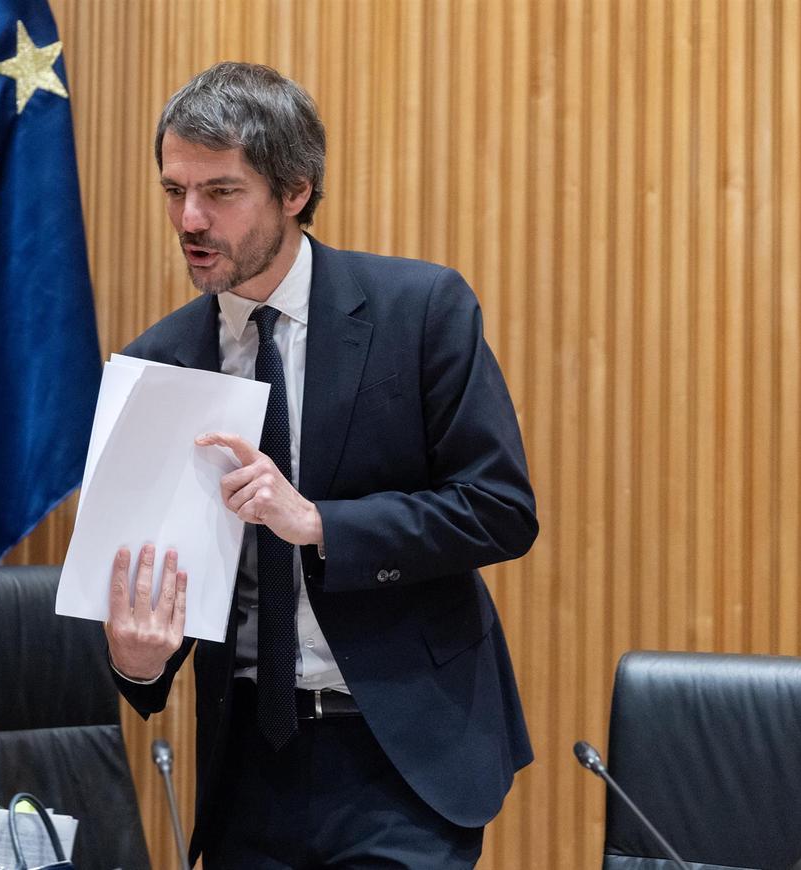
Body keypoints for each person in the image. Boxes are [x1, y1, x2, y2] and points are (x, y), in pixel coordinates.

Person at [103, 61, 538, 869]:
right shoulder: (157, 364)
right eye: (174, 190)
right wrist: (136, 663)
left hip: (399, 750)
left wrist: (317, 524)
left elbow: (500, 507)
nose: (189, 218)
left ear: (295, 190)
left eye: (221, 192)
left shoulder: (419, 312)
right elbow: (149, 580)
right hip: (246, 768)